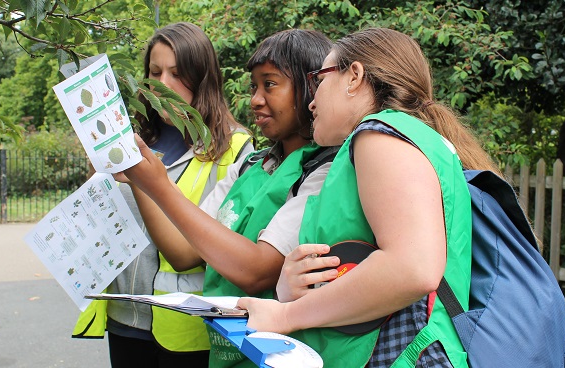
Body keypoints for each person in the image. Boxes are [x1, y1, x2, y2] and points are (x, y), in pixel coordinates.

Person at [236, 27, 501, 367]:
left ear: (354, 76)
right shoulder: (397, 140)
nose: (311, 100)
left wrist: (287, 315)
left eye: (320, 79)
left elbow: (412, 267)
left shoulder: (379, 134)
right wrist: (295, 286)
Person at [117, 29, 333, 367]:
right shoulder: (251, 166)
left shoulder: (323, 171)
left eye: (270, 84)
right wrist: (140, 180)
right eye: (254, 87)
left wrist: (158, 186)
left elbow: (256, 271)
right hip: (227, 349)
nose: (255, 100)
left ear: (312, 89)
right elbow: (184, 252)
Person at [72, 22, 253, 368]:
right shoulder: (135, 140)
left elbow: (197, 252)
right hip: (125, 320)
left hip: (187, 329)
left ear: (202, 78)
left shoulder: (235, 149)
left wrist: (141, 180)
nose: (163, 85)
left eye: (177, 73)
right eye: (155, 72)